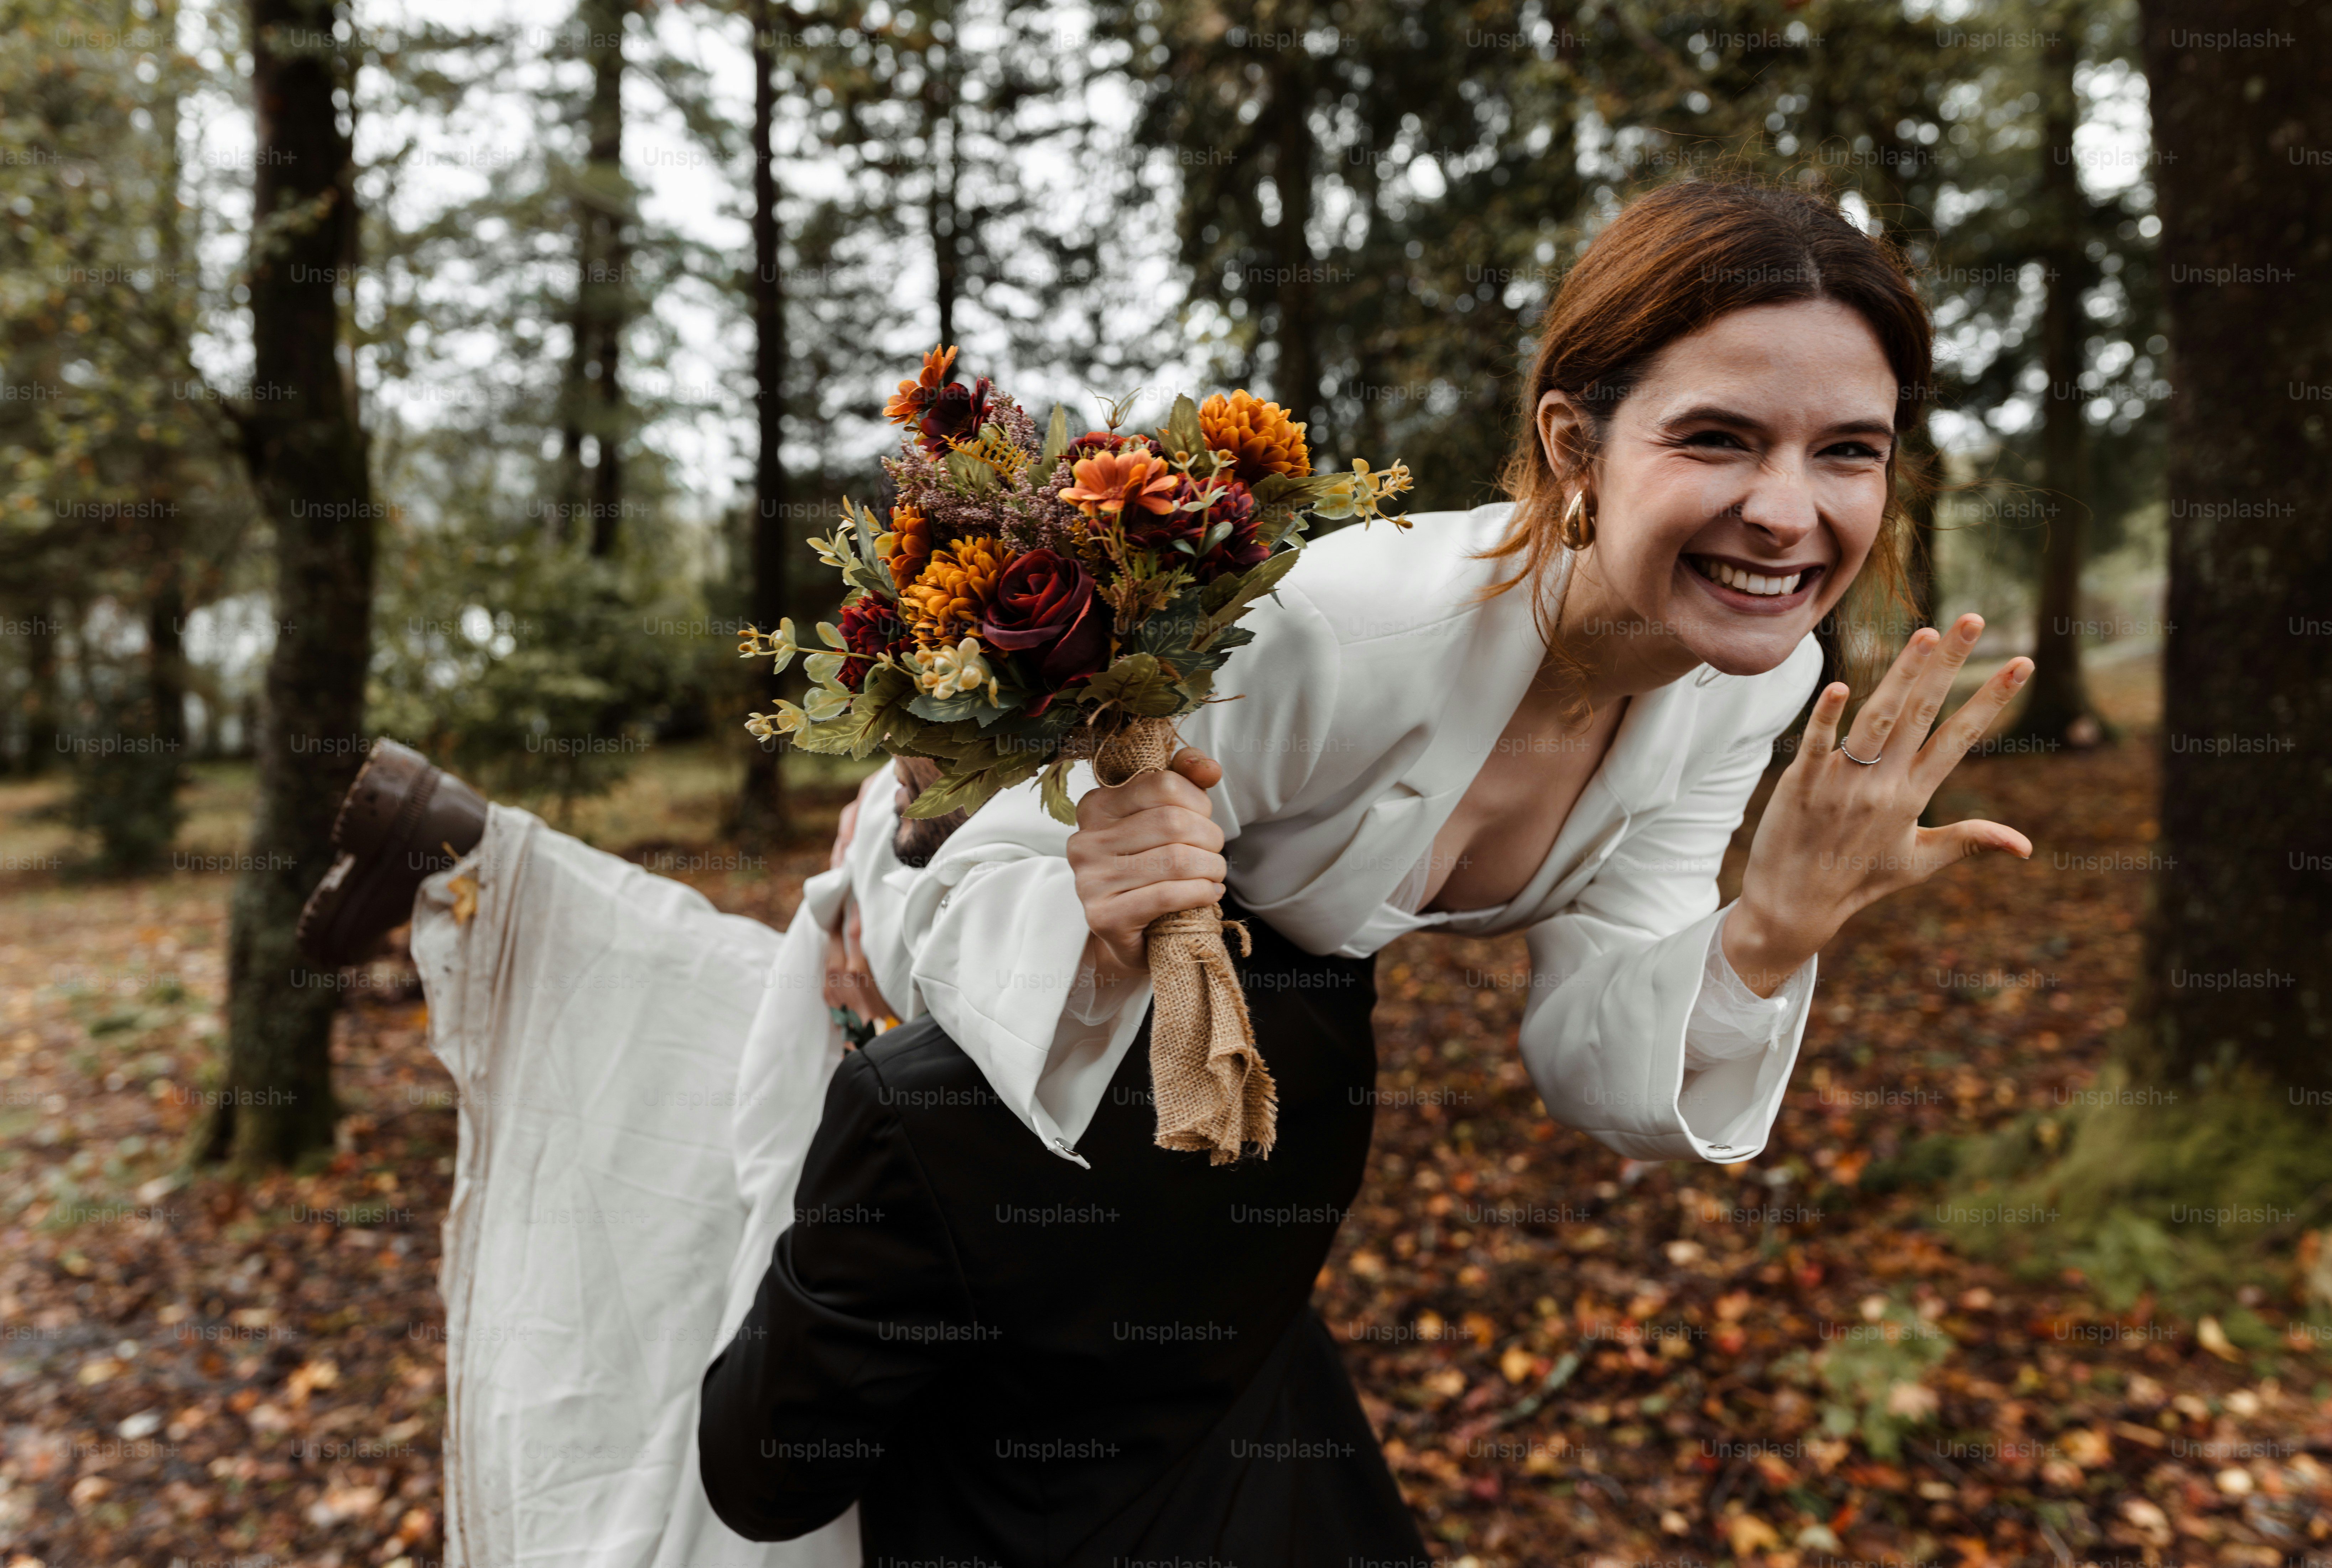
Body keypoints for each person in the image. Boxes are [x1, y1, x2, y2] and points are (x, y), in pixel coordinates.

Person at [306, 177, 2036, 1566]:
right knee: (800, 1235)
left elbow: (1584, 1042)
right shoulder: (1344, 627)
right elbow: (980, 886)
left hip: (1236, 1118)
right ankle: (480, 867)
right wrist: (1044, 918)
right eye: (1719, 439)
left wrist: (1763, 929)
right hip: (991, 950)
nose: (1787, 515)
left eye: (1848, 451)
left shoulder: (1747, 690)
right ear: (1577, 450)